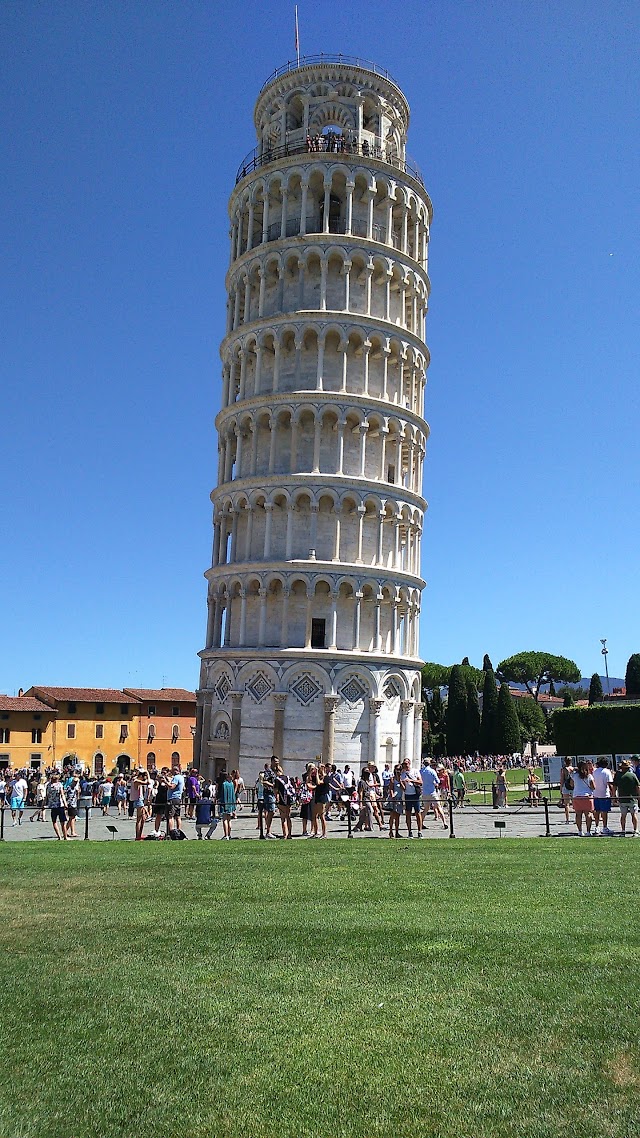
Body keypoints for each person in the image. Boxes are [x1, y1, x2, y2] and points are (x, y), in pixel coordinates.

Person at [612, 759, 640, 837]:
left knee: (623, 816)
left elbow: (614, 787)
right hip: (632, 798)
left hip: (622, 798)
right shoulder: (632, 775)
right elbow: (638, 786)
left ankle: (623, 830)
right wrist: (639, 796)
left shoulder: (618, 775)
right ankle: (635, 830)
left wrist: (614, 796)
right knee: (634, 815)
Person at [419, 758, 447, 830]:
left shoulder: (421, 771)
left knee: (425, 809)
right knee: (439, 807)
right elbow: (437, 781)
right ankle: (445, 823)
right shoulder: (432, 771)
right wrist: (434, 783)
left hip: (425, 792)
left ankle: (421, 823)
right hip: (432, 792)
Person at [400, 757, 423, 837]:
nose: (405, 766)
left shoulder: (415, 771)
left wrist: (411, 781)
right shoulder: (402, 774)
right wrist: (401, 782)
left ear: (409, 763)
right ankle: (409, 831)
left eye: (406, 764)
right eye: (403, 764)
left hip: (415, 794)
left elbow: (420, 782)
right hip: (407, 794)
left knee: (417, 812)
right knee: (408, 813)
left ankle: (419, 831)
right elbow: (403, 788)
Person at [571, 760, 595, 836]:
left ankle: (580, 831)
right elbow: (593, 787)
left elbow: (571, 785)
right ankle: (588, 831)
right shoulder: (589, 776)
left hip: (577, 796)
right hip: (587, 796)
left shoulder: (574, 776)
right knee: (588, 814)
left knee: (578, 814)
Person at [592, 757, 614, 836]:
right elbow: (610, 784)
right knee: (604, 812)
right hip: (604, 794)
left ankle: (597, 827)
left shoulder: (594, 771)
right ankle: (604, 827)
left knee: (597, 811)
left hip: (595, 794)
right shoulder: (607, 772)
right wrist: (613, 794)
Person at [273, 759, 294, 839]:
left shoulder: (277, 780)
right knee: (288, 816)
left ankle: (285, 834)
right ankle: (290, 834)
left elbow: (276, 791)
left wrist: (276, 800)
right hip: (289, 798)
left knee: (283, 817)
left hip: (282, 799)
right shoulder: (287, 778)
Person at [46, 772, 68, 840]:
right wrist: (65, 803)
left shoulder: (48, 785)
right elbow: (62, 795)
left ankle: (59, 837)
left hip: (52, 806)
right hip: (60, 805)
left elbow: (47, 796)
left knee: (54, 822)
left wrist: (44, 804)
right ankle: (65, 837)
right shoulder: (59, 785)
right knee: (63, 822)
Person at [131, 768, 151, 841]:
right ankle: (137, 836)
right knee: (139, 819)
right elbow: (148, 782)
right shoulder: (136, 781)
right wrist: (148, 773)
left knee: (143, 819)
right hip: (138, 800)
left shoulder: (135, 779)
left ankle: (139, 834)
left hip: (139, 800)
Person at [217, 769, 236, 839]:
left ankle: (226, 835)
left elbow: (222, 795)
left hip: (225, 804)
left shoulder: (224, 784)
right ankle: (229, 834)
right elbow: (233, 795)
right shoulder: (231, 784)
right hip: (230, 804)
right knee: (229, 820)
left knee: (224, 819)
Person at [387, 764, 404, 838]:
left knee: (398, 816)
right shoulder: (392, 779)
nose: (398, 771)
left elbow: (404, 788)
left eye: (399, 769)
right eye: (397, 769)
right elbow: (390, 788)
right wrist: (392, 795)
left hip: (399, 799)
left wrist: (400, 781)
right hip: (394, 799)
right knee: (392, 815)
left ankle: (397, 831)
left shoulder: (402, 779)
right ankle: (391, 831)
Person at [166, 766, 184, 834]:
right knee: (178, 816)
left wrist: (165, 782)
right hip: (178, 798)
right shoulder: (181, 777)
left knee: (171, 816)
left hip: (173, 798)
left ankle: (172, 832)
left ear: (175, 770)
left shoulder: (176, 777)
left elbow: (172, 787)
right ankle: (178, 832)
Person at [261, 761, 277, 838]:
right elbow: (264, 782)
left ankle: (268, 830)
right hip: (269, 793)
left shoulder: (275, 772)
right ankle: (268, 831)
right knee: (271, 811)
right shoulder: (267, 772)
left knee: (271, 812)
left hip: (273, 793)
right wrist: (273, 785)